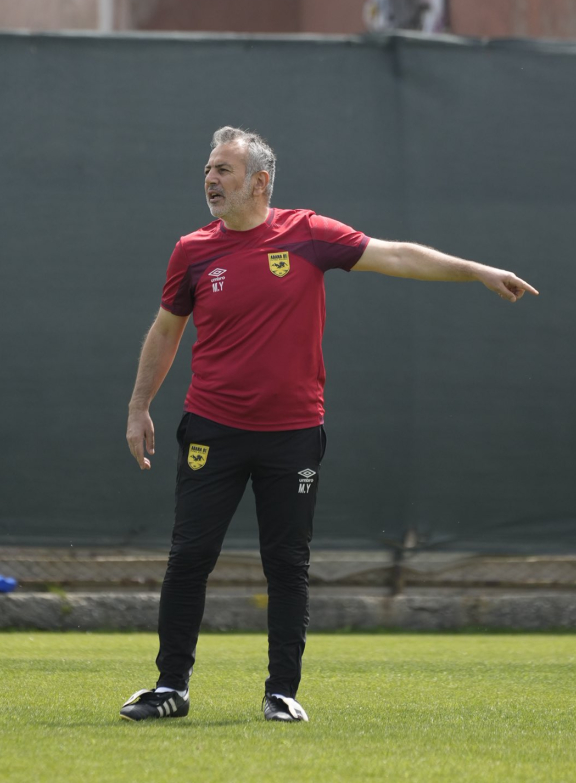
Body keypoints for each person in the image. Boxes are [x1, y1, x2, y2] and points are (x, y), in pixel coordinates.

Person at [120, 126, 538, 724]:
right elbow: (167, 331)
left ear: (259, 182)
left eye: (223, 170)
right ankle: (171, 688)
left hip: (292, 434)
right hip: (212, 428)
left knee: (286, 564)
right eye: (208, 169)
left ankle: (281, 692)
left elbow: (396, 254)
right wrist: (139, 406)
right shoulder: (192, 250)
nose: (210, 179)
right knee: (189, 557)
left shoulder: (308, 233)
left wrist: (474, 269)